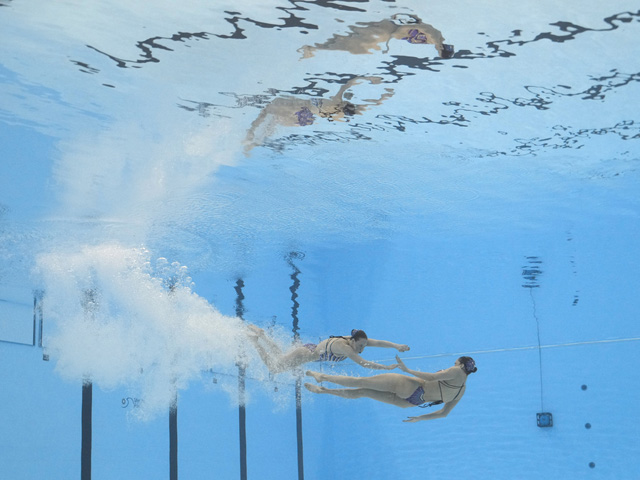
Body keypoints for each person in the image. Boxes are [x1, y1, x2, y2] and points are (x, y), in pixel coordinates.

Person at [304, 355, 477, 422]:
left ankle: (322, 377)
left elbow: (431, 377)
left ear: (461, 365)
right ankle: (324, 391)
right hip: (411, 402)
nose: (452, 365)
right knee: (364, 393)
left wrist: (407, 370)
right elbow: (444, 413)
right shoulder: (462, 390)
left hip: (409, 387)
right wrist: (419, 418)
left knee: (362, 382)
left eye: (455, 363)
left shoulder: (456, 370)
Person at [246, 325, 409, 374]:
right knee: (275, 368)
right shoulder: (344, 347)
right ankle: (254, 340)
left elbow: (379, 343)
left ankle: (262, 335)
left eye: (364, 346)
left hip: (308, 351)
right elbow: (363, 364)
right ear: (352, 341)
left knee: (280, 357)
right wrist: (386, 368)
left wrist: (397, 346)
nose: (362, 349)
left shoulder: (357, 341)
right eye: (360, 346)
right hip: (306, 354)